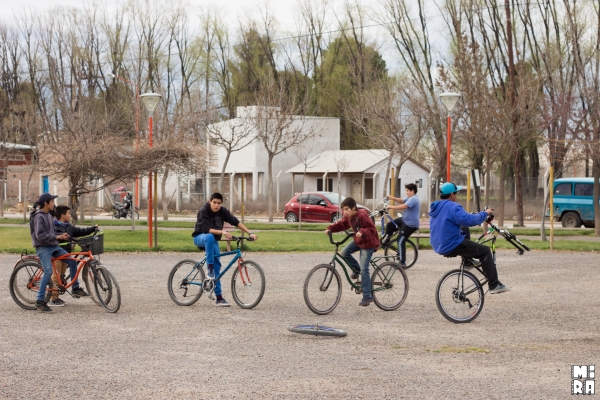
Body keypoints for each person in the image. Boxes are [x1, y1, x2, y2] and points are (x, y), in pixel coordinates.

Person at [429, 182, 509, 294]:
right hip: (450, 244)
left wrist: (477, 215)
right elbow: (470, 220)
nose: (456, 196)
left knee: (463, 227)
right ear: (452, 194)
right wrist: (485, 213)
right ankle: (494, 285)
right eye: (456, 193)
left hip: (438, 244)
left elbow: (463, 219)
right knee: (485, 251)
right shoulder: (453, 206)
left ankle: (468, 261)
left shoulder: (436, 206)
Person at [191, 192, 258, 307]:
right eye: (214, 203)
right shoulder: (204, 211)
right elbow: (206, 229)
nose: (217, 205)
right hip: (200, 237)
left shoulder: (223, 211)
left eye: (219, 203)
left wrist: (249, 232)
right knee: (209, 237)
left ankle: (219, 298)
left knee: (218, 266)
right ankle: (209, 269)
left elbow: (236, 222)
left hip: (212, 241)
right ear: (210, 201)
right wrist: (222, 232)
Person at [325, 197, 380, 307]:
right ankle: (356, 269)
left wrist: (362, 231)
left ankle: (367, 296)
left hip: (368, 243)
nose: (344, 212)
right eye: (343, 210)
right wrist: (330, 228)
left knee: (365, 269)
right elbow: (342, 224)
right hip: (359, 241)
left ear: (353, 208)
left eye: (346, 209)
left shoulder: (362, 215)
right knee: (344, 252)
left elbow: (371, 229)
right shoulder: (349, 217)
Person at [49, 205, 96, 306]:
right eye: (68, 214)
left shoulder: (68, 226)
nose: (70, 215)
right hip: (55, 254)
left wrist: (93, 229)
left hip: (65, 253)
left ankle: (73, 289)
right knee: (56, 277)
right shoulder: (53, 226)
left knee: (62, 275)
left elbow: (79, 231)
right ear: (62, 215)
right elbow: (53, 237)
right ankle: (53, 298)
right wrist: (61, 237)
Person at [30, 193, 70, 312]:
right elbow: (40, 235)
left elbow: (52, 234)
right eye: (52, 201)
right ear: (45, 203)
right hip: (43, 247)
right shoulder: (39, 216)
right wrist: (57, 237)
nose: (54, 204)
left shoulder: (48, 215)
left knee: (72, 260)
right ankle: (40, 301)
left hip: (53, 246)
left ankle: (76, 288)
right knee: (48, 271)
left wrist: (60, 236)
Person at [381, 183, 421, 268]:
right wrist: (391, 197)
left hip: (410, 224)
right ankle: (386, 242)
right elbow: (402, 200)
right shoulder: (410, 198)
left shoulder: (414, 199)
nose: (406, 192)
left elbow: (404, 206)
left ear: (412, 191)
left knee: (400, 240)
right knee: (390, 225)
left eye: (407, 190)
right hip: (404, 220)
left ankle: (402, 263)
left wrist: (390, 207)